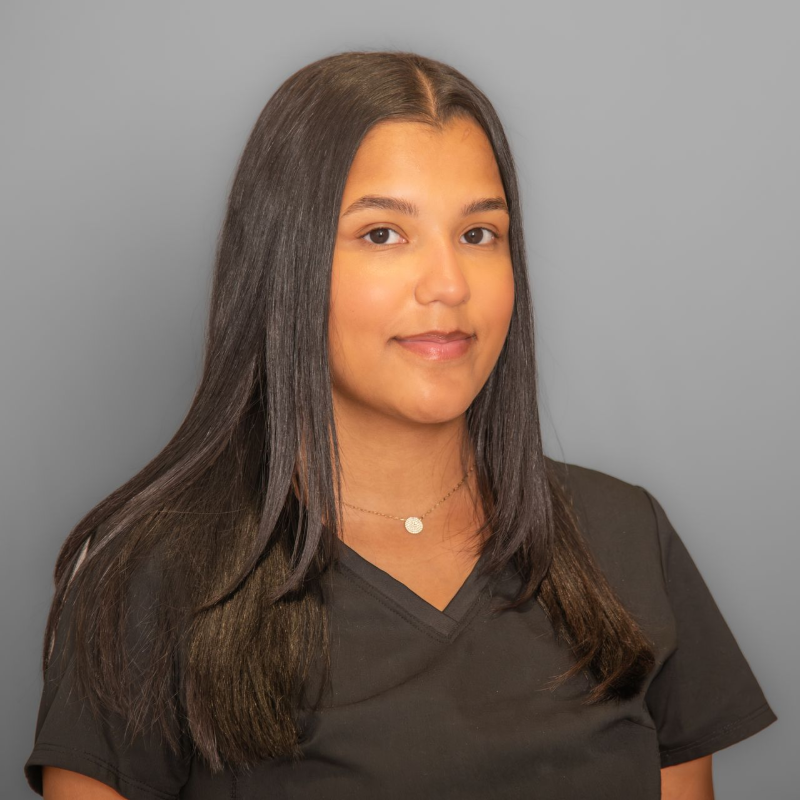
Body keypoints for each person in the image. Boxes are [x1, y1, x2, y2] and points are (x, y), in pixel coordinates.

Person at [23, 49, 777, 800]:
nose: (448, 285)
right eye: (382, 234)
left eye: (478, 234)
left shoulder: (626, 537)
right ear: (286, 261)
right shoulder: (149, 579)